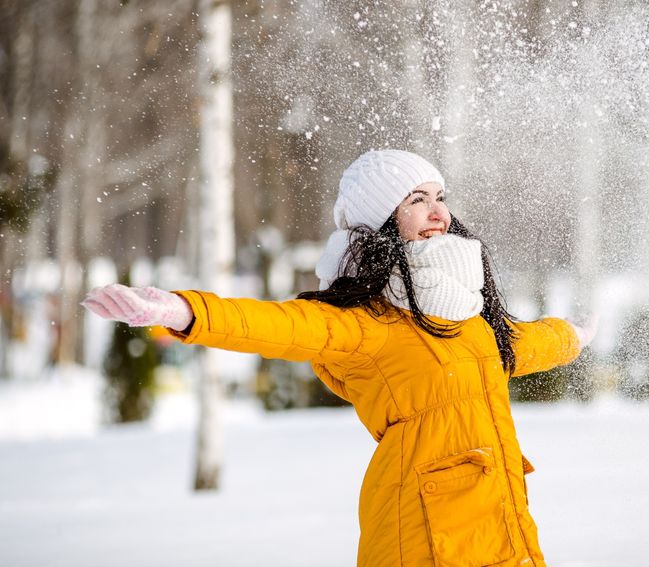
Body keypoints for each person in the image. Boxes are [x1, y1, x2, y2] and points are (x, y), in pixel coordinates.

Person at [83, 149, 598, 567]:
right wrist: (185, 310)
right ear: (380, 221)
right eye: (416, 199)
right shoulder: (366, 324)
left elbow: (520, 343)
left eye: (439, 197)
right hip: (423, 533)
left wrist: (572, 335)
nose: (438, 210)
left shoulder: (467, 316)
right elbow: (279, 326)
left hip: (500, 526)